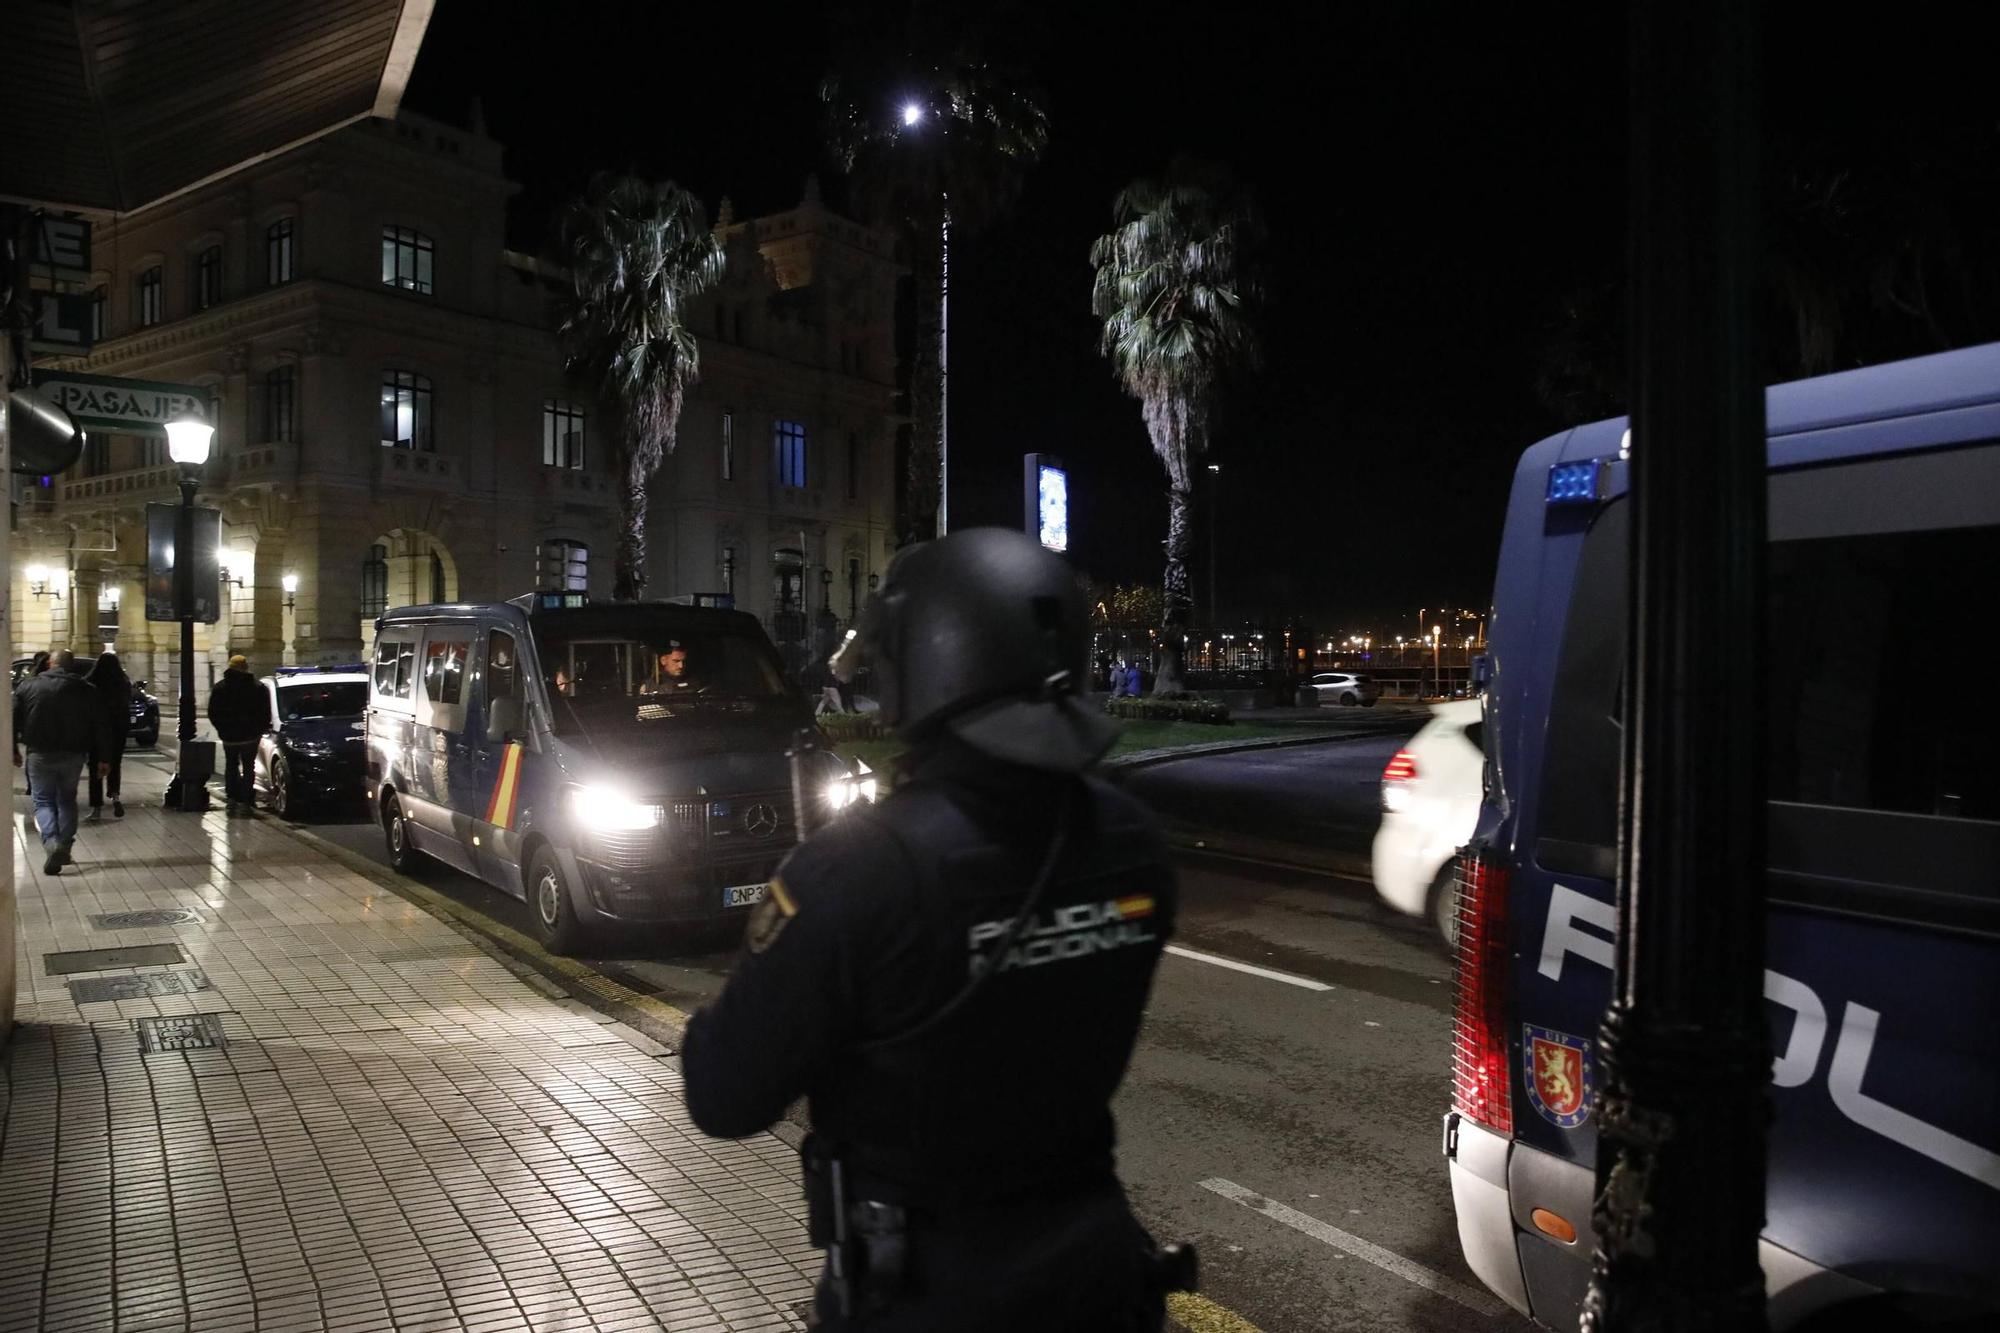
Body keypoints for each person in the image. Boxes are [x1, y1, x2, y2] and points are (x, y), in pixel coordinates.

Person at [682, 528, 1187, 1331]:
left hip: (923, 1291)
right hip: (1097, 1276)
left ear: (929, 662)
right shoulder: (1131, 842)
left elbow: (724, 1095)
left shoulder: (858, 868)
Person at [13, 650, 112, 875]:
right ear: (73, 666)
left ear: (50, 663)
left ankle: (52, 842)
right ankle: (65, 845)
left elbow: (12, 718)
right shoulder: (88, 691)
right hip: (74, 754)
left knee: (43, 800)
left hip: (39, 753)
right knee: (67, 800)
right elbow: (101, 726)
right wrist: (104, 758)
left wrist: (12, 749)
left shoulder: (28, 686)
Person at [206, 653, 266, 811]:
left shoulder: (220, 687)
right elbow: (264, 712)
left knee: (231, 765)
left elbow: (213, 712)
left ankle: (232, 798)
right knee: (248, 767)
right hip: (250, 736)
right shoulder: (257, 687)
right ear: (245, 667)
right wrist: (258, 730)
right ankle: (246, 800)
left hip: (229, 736)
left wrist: (222, 729)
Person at [84, 652, 132, 820]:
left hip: (96, 730)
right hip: (117, 730)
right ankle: (115, 796)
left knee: (95, 767)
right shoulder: (123, 682)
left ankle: (96, 808)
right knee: (115, 764)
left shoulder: (91, 683)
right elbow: (126, 706)